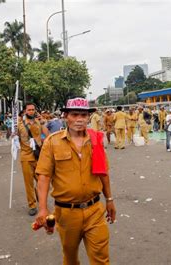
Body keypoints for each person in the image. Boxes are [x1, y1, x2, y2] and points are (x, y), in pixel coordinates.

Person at [35, 97, 116, 265]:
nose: (79, 119)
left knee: (101, 259)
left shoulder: (95, 140)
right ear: (66, 116)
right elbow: (43, 177)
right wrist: (42, 209)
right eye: (74, 114)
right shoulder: (53, 142)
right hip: (66, 213)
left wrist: (109, 199)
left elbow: (103, 173)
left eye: (83, 115)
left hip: (94, 210)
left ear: (88, 117)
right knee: (70, 258)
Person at [17, 103, 49, 216]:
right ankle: (32, 205)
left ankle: (41, 200)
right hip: (26, 156)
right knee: (29, 183)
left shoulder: (38, 122)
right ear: (25, 111)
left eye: (33, 110)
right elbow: (15, 138)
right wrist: (13, 137)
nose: (31, 111)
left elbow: (47, 135)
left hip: (38, 156)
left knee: (41, 181)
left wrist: (42, 122)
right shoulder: (19, 124)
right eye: (29, 110)